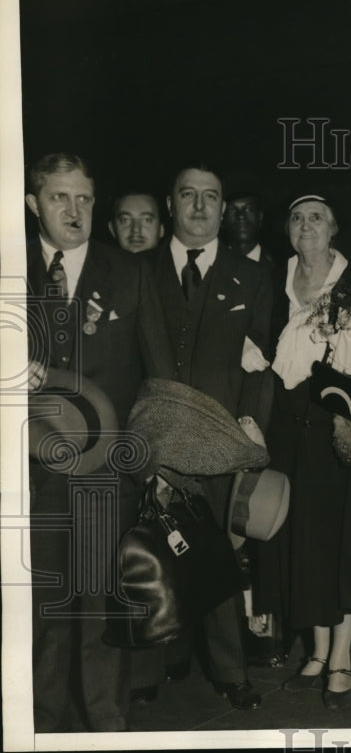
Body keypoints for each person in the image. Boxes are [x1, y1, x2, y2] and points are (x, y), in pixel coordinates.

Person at [24, 152, 173, 732]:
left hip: (104, 474)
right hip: (31, 473)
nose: (74, 210)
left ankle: (106, 726)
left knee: (97, 606)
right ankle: (42, 724)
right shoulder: (11, 273)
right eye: (60, 197)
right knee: (43, 607)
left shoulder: (129, 272)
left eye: (84, 198)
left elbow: (158, 379)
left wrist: (155, 464)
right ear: (33, 203)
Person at [150, 161, 273, 710]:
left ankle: (229, 668)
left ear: (224, 209)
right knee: (158, 548)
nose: (200, 207)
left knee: (220, 556)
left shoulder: (250, 276)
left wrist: (249, 433)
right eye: (188, 195)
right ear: (171, 203)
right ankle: (161, 659)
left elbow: (261, 363)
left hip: (220, 440)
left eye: (211, 197)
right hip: (153, 435)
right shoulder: (138, 270)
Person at [267, 192, 351, 707]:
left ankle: (341, 657)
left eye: (316, 217)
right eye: (296, 217)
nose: (306, 225)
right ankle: (315, 652)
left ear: (334, 227)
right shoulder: (277, 281)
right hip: (285, 429)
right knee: (302, 542)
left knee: (339, 542)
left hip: (336, 426)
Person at [221, 184, 277, 272]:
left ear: (260, 217)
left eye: (249, 209)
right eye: (231, 210)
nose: (241, 216)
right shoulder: (211, 265)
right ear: (221, 219)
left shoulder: (280, 269)